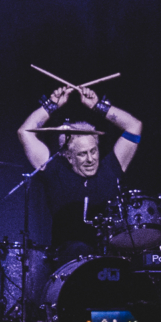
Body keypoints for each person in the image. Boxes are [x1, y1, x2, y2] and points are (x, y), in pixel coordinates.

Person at [16, 84, 144, 254]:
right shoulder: (55, 171)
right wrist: (52, 105)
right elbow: (25, 132)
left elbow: (134, 126)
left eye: (93, 151)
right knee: (79, 249)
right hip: (69, 257)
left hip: (111, 253)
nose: (91, 159)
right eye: (82, 154)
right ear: (68, 156)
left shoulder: (111, 167)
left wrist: (98, 106)